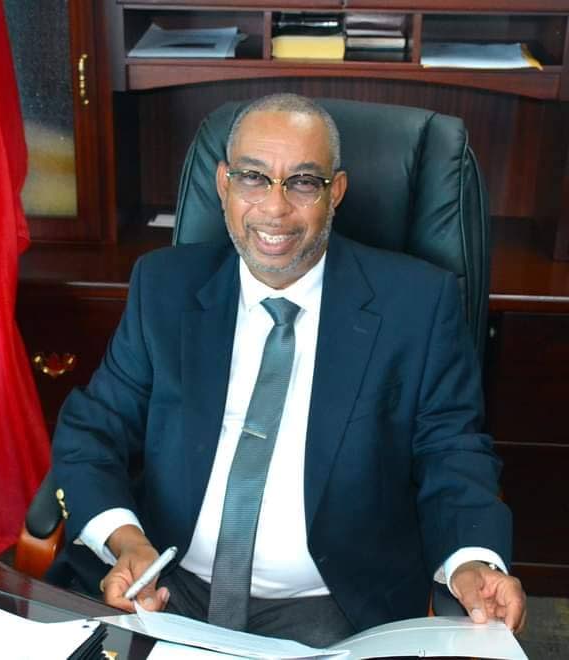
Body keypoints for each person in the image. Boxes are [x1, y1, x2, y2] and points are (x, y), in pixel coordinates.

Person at [48, 93, 527, 646]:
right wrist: (126, 540)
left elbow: (452, 452)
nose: (274, 209)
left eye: (302, 182)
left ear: (336, 193)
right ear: (224, 185)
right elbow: (93, 430)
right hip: (164, 589)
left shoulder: (416, 305)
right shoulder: (165, 287)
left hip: (335, 607)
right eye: (253, 178)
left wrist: (470, 562)